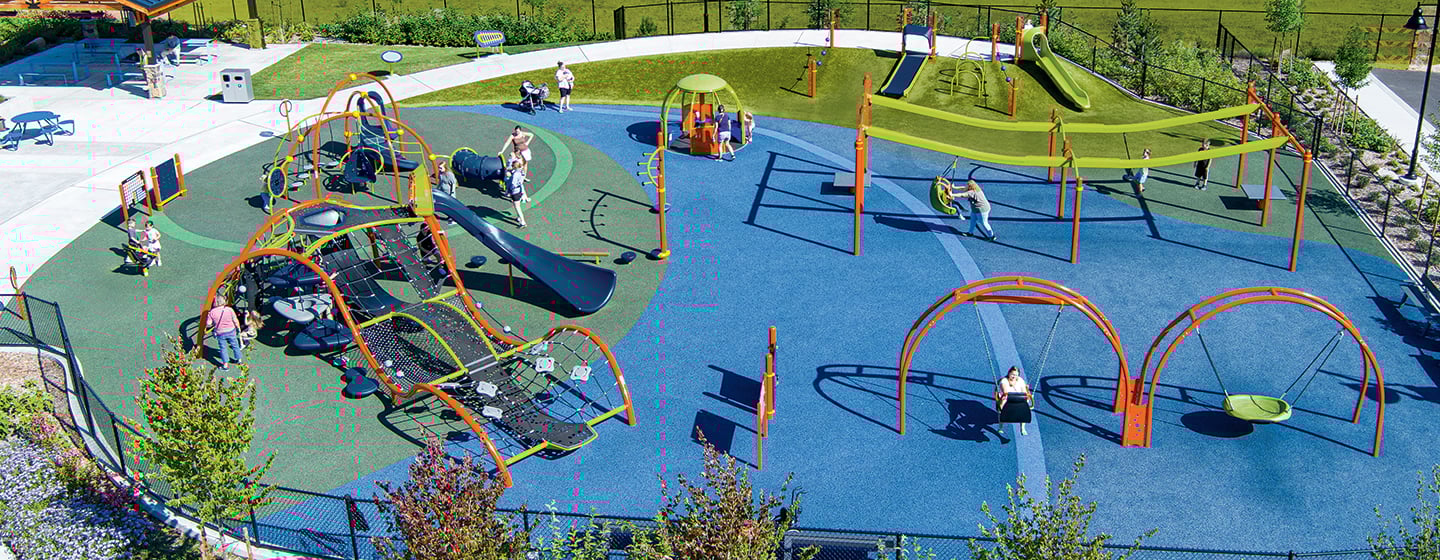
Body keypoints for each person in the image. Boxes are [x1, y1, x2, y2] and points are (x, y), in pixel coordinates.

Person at [206, 295, 244, 370]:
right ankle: (239, 360)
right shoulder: (229, 309)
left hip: (220, 332)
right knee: (235, 345)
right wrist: (238, 327)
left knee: (223, 348)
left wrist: (213, 323)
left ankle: (225, 365)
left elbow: (208, 324)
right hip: (231, 330)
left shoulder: (212, 312)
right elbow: (235, 320)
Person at [994, 367, 1033, 436]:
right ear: (1009, 373)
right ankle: (1001, 426)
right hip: (1007, 398)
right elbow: (1005, 390)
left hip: (1018, 398)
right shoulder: (1004, 381)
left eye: (1016, 375)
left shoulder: (1020, 380)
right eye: (1012, 374)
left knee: (1024, 404)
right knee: (1003, 402)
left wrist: (1027, 395)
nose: (1014, 376)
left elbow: (1024, 391)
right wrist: (1006, 395)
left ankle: (1022, 428)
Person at [505, 158, 529, 228]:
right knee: (517, 205)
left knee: (517, 207)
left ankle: (523, 222)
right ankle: (519, 218)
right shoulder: (521, 172)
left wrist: (507, 179)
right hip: (520, 191)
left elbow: (512, 184)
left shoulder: (515, 175)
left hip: (515, 192)